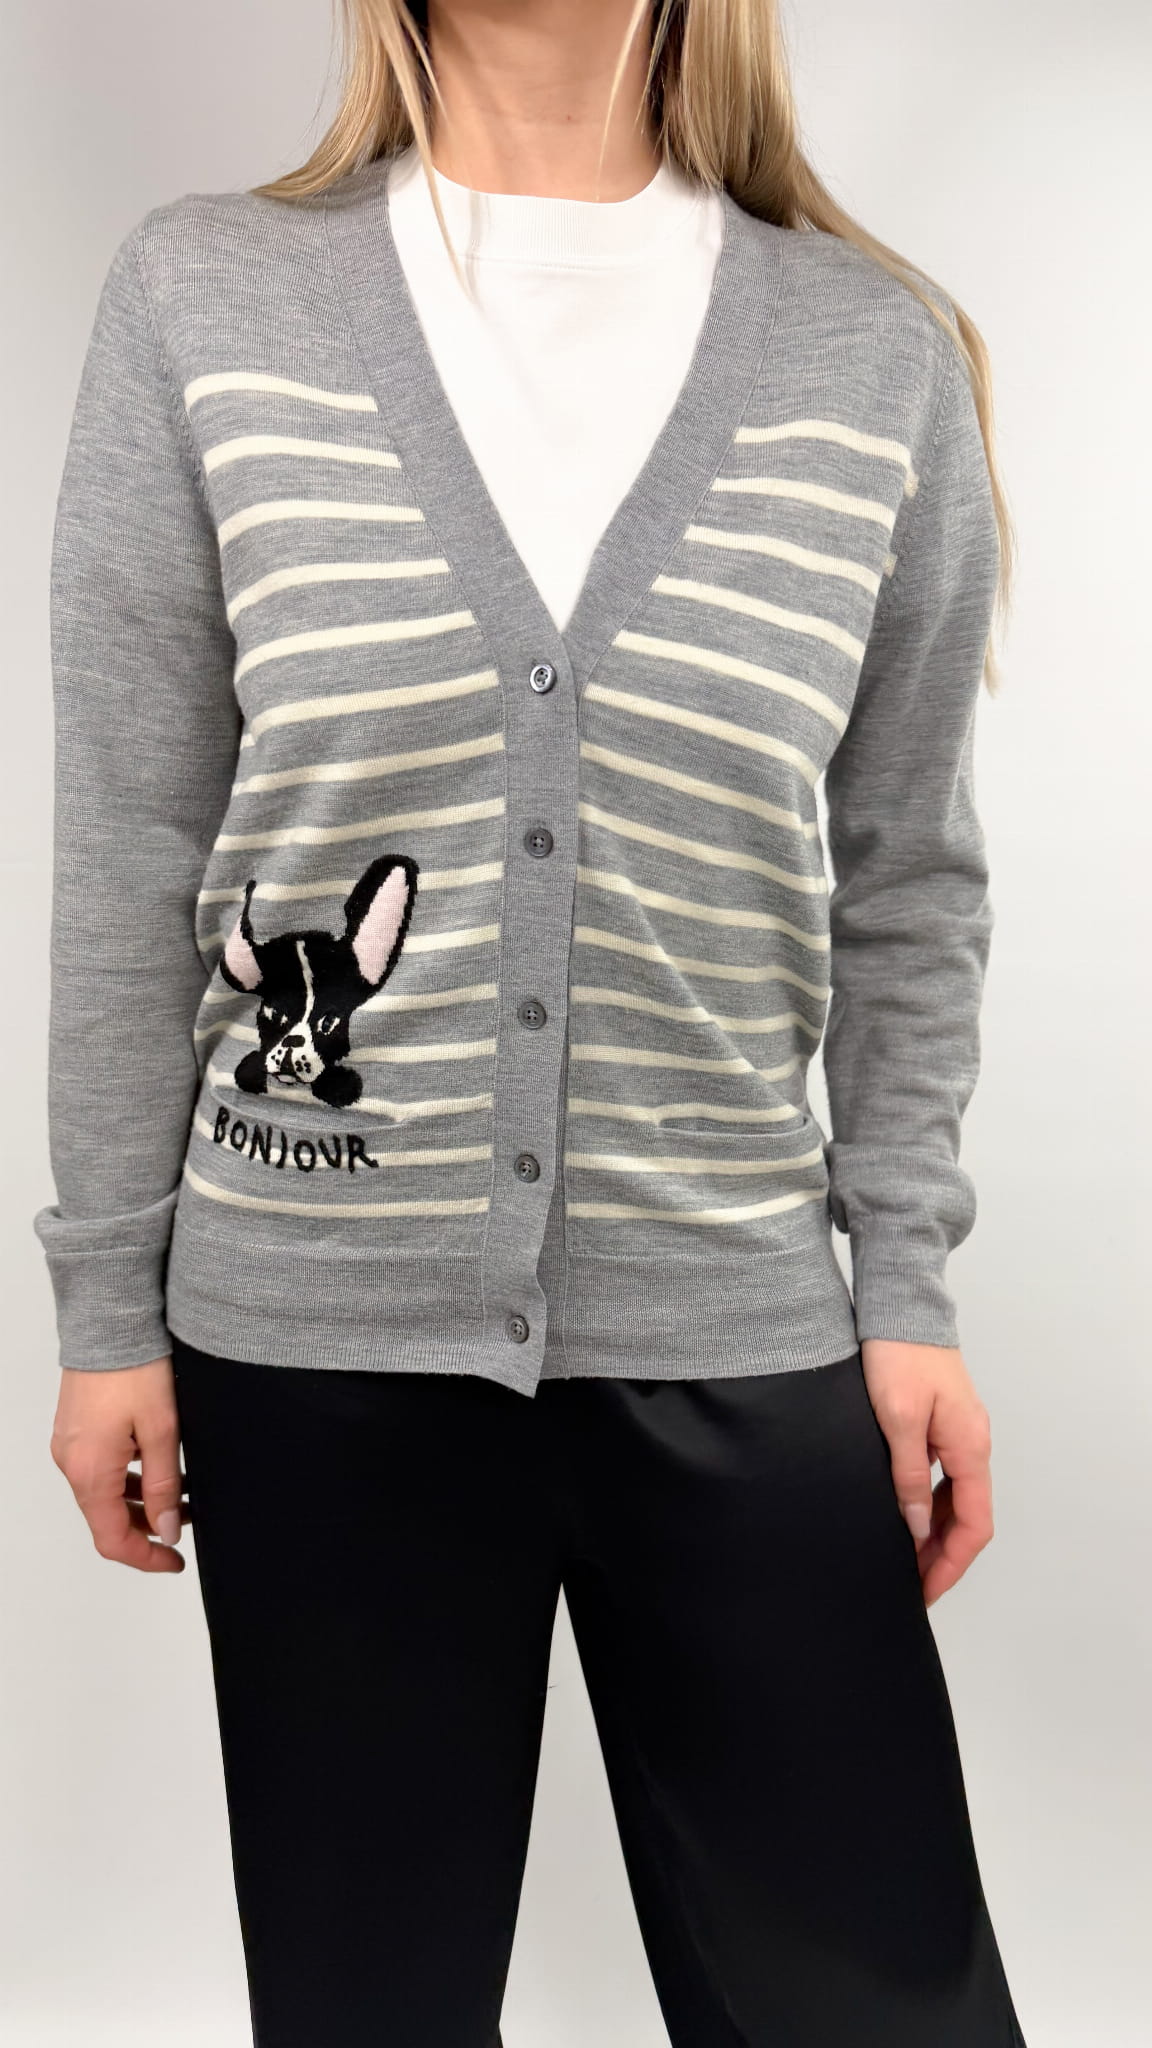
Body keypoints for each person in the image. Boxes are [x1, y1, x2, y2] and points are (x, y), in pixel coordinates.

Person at [37, 1, 1028, 2041]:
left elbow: (909, 875)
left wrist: (908, 1284)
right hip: (315, 1336)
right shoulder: (207, 300)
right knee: (368, 2010)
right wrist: (104, 1308)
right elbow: (133, 842)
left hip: (742, 1315)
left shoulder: (875, 354)